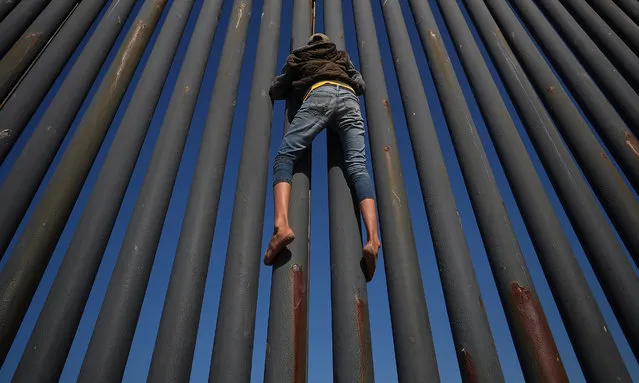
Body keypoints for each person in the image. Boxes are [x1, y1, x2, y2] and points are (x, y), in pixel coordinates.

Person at [263, 33, 381, 282]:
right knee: (358, 167)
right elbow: (360, 84)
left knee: (284, 157)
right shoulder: (341, 56)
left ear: (310, 43)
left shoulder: (299, 56)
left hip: (319, 95)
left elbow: (278, 87)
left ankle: (281, 226)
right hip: (348, 97)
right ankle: (372, 238)